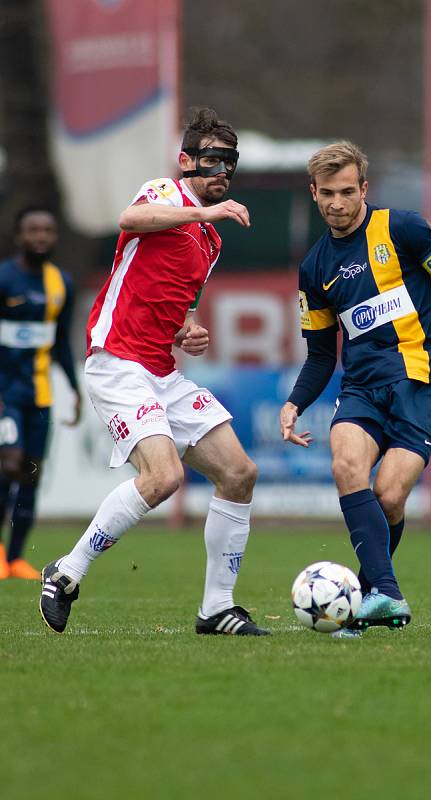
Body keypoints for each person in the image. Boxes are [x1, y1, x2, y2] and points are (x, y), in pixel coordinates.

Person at [39, 107, 270, 636]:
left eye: (229, 164)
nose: (222, 173)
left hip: (160, 369)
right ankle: (67, 572)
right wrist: (201, 213)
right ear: (185, 161)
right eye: (212, 161)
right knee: (163, 476)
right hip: (116, 360)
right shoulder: (166, 195)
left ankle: (216, 608)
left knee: (240, 473)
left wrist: (189, 328)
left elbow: (181, 297)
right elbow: (130, 221)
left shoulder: (210, 241)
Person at [279, 141, 431, 638]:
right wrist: (296, 401)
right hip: (361, 386)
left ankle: (364, 601)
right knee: (345, 464)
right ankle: (386, 593)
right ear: (313, 194)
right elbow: (321, 354)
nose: (336, 203)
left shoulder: (401, 228)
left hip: (421, 382)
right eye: (327, 194)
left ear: (364, 188)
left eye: (346, 191)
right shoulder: (314, 267)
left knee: (388, 497)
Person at [0, 207, 81, 580]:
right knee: (9, 464)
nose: (41, 237)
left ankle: (16, 559)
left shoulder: (60, 283)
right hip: (6, 396)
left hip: (41, 398)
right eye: (33, 230)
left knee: (31, 475)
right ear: (19, 236)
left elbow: (61, 342)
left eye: (47, 230)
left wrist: (74, 388)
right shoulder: (4, 278)